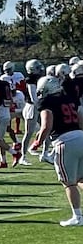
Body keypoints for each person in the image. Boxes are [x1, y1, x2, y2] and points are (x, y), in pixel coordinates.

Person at [31, 75, 83, 225]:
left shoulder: (46, 101)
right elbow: (81, 120)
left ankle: (78, 217)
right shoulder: (68, 98)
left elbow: (46, 125)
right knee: (80, 178)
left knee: (69, 182)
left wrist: (37, 142)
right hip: (80, 136)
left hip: (64, 141)